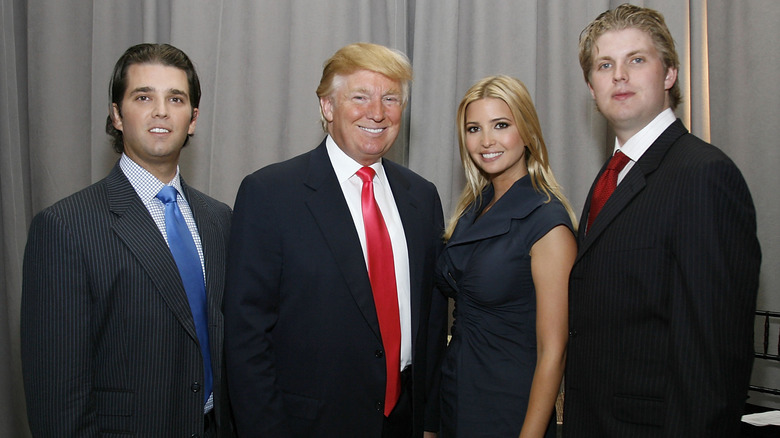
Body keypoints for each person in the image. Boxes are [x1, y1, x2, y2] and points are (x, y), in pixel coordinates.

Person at [224, 42, 448, 438]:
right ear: (328, 108)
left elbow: (431, 318)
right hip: (309, 425)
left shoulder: (422, 197)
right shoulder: (270, 194)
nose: (377, 113)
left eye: (391, 98)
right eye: (360, 97)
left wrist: (429, 422)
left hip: (403, 422)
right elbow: (246, 339)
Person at [563, 4, 761, 437]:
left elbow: (713, 357)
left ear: (669, 74)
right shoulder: (612, 175)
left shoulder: (703, 175)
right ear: (591, 85)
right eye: (604, 64)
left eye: (637, 59)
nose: (619, 75)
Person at [21, 43, 234, 437]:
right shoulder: (65, 227)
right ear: (117, 115)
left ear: (193, 119)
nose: (161, 111)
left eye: (176, 98)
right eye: (143, 97)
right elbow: (57, 399)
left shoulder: (220, 219)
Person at [435, 75, 576, 438]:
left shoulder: (546, 220)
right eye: (473, 128)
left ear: (527, 131)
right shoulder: (473, 209)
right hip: (456, 396)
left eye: (501, 125)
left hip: (509, 406)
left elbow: (553, 350)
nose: (486, 141)